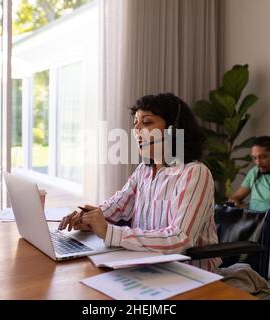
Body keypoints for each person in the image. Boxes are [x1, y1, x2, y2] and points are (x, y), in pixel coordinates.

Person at [58, 93, 221, 271]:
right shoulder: (144, 170)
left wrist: (110, 232)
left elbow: (179, 239)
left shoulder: (194, 173)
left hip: (190, 273)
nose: (137, 130)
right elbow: (117, 207)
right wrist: (88, 217)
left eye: (147, 122)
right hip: (147, 266)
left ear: (172, 130)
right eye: (135, 123)